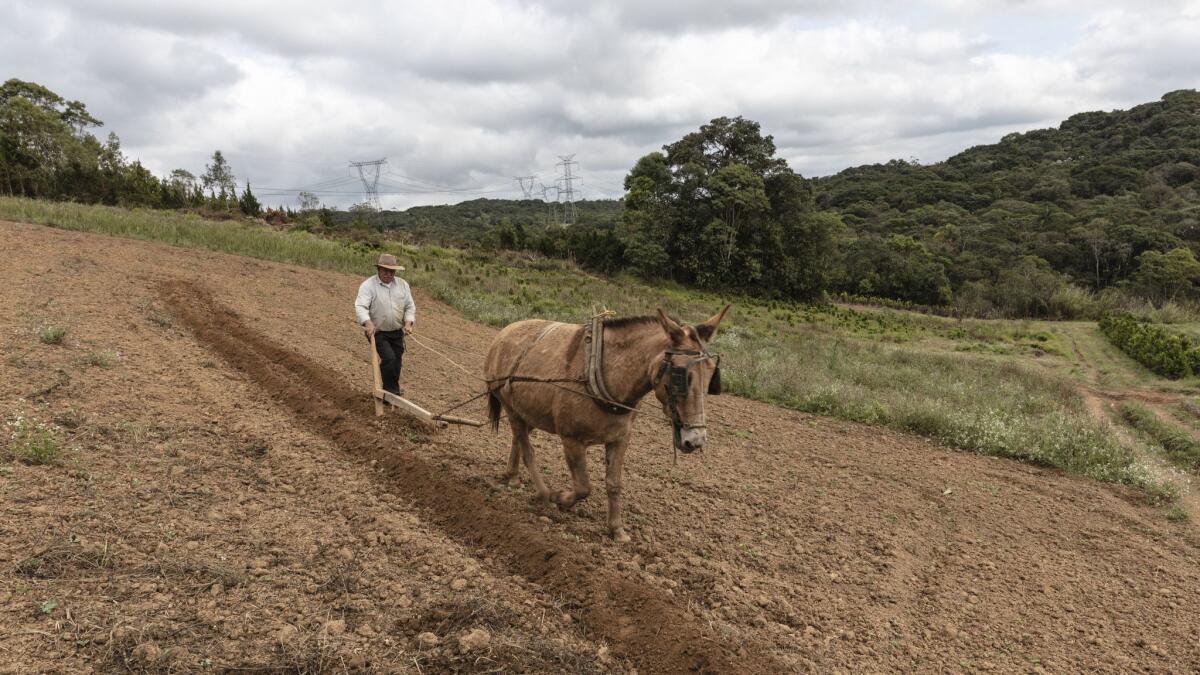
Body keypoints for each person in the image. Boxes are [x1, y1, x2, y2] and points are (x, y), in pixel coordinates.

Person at [355, 253, 415, 396]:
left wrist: (408, 322)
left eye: (392, 271)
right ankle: (392, 393)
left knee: (397, 361)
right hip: (378, 332)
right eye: (385, 270)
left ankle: (391, 391)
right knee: (389, 358)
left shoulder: (402, 285)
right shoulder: (368, 285)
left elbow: (409, 306)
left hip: (396, 331)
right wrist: (368, 323)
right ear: (379, 270)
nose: (388, 274)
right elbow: (361, 306)